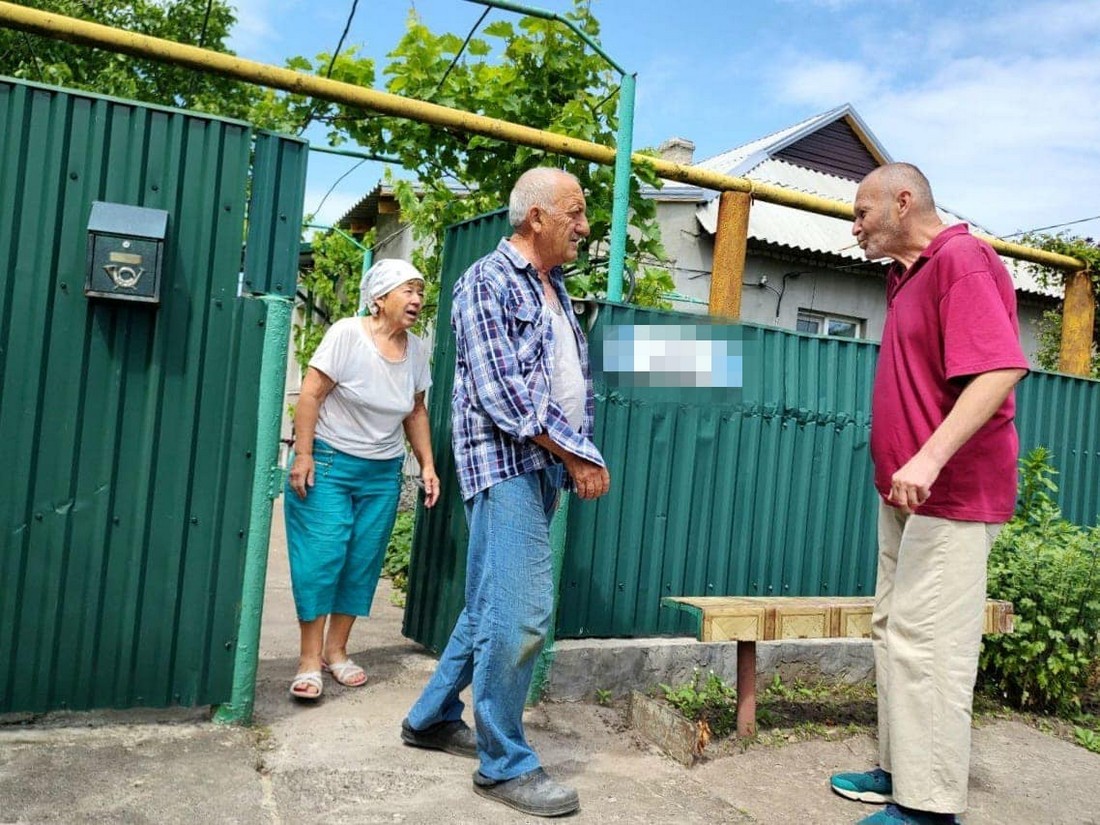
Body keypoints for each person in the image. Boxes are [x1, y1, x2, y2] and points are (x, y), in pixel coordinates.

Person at [399, 167, 610, 818]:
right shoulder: (485, 281)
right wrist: (579, 455)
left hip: (539, 466)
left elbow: (564, 380)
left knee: (489, 602)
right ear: (535, 218)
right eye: (574, 213)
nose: (584, 225)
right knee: (520, 618)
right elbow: (503, 396)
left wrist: (570, 449)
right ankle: (502, 763)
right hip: (508, 463)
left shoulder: (554, 289)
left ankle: (430, 716)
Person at [829, 163, 1029, 825]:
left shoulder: (962, 260)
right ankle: (898, 769)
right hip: (905, 495)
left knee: (932, 644)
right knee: (893, 629)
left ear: (903, 200)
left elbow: (999, 368)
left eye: (862, 213)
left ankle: (930, 805)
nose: (854, 226)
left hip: (952, 492)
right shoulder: (904, 275)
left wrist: (930, 454)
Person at [284, 258, 440, 701]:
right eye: (407, 290)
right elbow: (311, 394)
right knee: (323, 556)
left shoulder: (418, 350)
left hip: (382, 472)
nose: (416, 300)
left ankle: (337, 652)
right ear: (379, 299)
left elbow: (416, 410)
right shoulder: (347, 334)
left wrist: (426, 464)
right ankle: (309, 660)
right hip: (330, 464)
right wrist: (304, 455)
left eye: (420, 292)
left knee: (361, 560)